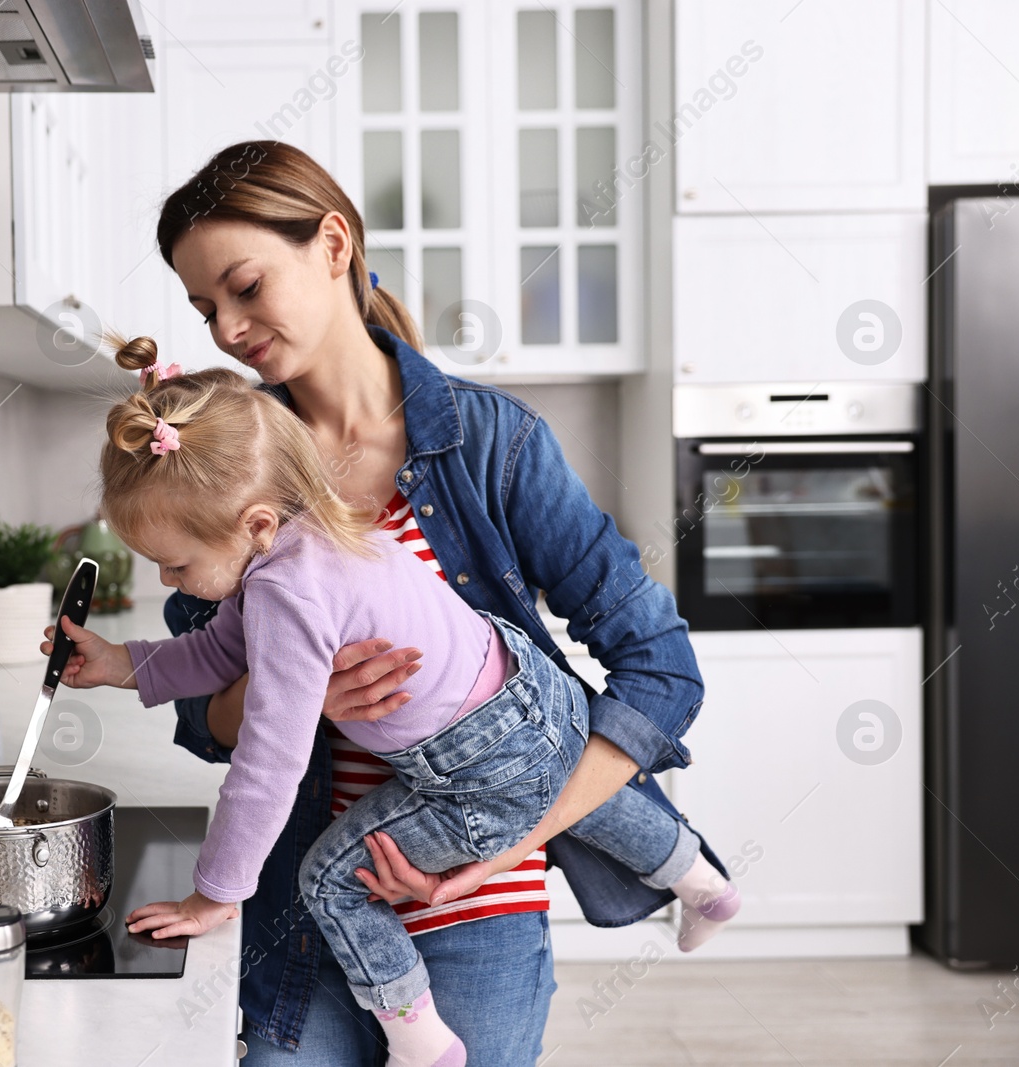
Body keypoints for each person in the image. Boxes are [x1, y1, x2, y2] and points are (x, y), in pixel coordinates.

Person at [82, 141, 726, 1064]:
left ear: (334, 244)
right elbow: (207, 712)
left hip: (479, 909)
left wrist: (503, 846)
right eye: (204, 308)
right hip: (305, 915)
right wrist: (293, 696)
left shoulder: (490, 442)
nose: (227, 328)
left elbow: (661, 668)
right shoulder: (226, 462)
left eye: (246, 286)